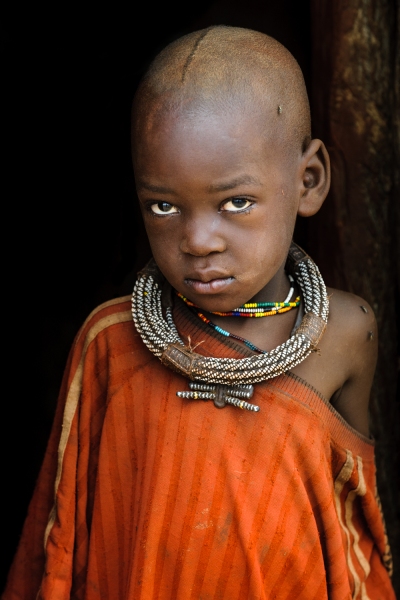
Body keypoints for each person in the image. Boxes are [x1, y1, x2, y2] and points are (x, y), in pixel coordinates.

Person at [3, 26, 395, 600]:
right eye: (163, 205)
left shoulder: (346, 332)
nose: (198, 240)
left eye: (235, 202)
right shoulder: (111, 341)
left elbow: (355, 514)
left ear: (307, 182)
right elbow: (64, 537)